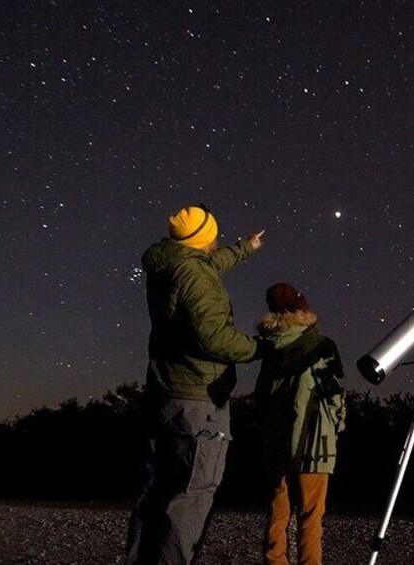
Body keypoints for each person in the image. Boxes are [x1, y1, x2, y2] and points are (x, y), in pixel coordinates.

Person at [126, 203, 264, 565]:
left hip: (165, 393)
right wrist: (259, 348)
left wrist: (244, 248)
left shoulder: (170, 264)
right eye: (214, 236)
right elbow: (214, 337)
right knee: (192, 494)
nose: (217, 241)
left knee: (156, 491)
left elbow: (209, 264)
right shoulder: (195, 275)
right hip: (198, 400)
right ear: (204, 238)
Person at [254, 283, 347, 565]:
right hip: (314, 443)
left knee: (277, 514)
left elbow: (261, 397)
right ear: (301, 307)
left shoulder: (268, 347)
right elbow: (333, 395)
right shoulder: (320, 344)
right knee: (310, 518)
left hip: (276, 445)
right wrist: (338, 425)